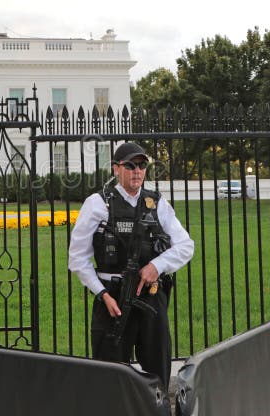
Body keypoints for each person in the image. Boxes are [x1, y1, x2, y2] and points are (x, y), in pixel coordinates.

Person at [68, 142, 194, 390]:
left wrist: (156, 266)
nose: (137, 171)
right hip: (112, 299)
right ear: (116, 169)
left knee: (157, 371)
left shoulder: (157, 203)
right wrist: (102, 293)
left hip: (150, 296)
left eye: (142, 165)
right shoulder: (97, 204)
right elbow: (77, 258)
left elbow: (185, 245)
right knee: (110, 374)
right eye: (130, 165)